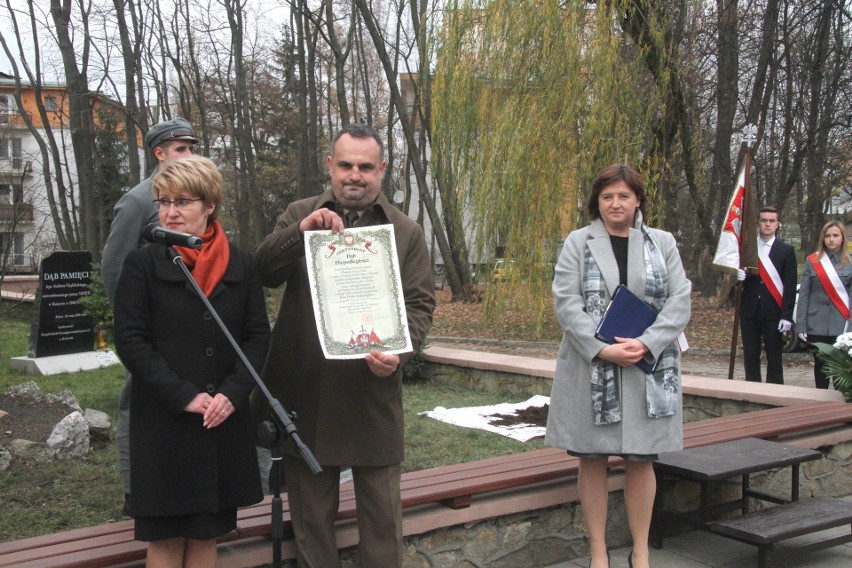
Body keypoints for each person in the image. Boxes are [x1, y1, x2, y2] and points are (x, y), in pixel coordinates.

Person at [253, 123, 435, 567]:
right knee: (312, 521)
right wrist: (302, 231)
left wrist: (399, 353)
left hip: (371, 394)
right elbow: (261, 271)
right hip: (306, 392)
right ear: (330, 166)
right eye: (347, 165)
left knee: (382, 522)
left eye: (366, 167)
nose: (355, 175)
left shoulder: (405, 231)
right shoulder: (300, 212)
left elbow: (419, 305)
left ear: (382, 170)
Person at [113, 155, 268, 567]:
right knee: (165, 538)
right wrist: (183, 396)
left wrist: (234, 394)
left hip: (220, 421)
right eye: (164, 202)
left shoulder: (240, 262)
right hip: (165, 423)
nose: (171, 212)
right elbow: (130, 341)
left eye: (183, 201)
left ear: (210, 205)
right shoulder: (143, 263)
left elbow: (255, 338)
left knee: (206, 534)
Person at [544, 164, 691, 568]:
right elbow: (566, 303)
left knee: (641, 461)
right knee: (591, 459)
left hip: (648, 369)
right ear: (598, 201)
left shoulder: (661, 242)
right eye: (608, 196)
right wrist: (601, 349)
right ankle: (598, 552)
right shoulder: (578, 242)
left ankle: (640, 551)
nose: (615, 203)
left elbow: (680, 299)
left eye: (624, 196)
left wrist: (647, 343)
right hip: (593, 368)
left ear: (638, 200)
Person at [101, 117, 197, 505]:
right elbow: (114, 267)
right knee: (136, 399)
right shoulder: (138, 201)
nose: (189, 154)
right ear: (159, 153)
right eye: (180, 149)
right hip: (147, 328)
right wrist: (132, 324)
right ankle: (134, 487)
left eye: (191, 147)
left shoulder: (194, 197)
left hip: (188, 326)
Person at [736, 206, 797, 384]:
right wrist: (737, 277)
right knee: (750, 355)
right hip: (750, 311)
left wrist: (787, 316)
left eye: (771, 221)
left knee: (774, 356)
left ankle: (774, 394)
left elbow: (790, 286)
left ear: (778, 224)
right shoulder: (747, 248)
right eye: (764, 220)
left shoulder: (786, 250)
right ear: (757, 223)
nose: (767, 224)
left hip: (775, 312)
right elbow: (735, 283)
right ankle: (752, 393)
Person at [796, 220, 852, 389]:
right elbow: (804, 294)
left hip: (841, 323)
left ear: (842, 238)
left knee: (840, 367)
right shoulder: (812, 261)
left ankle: (838, 408)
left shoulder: (850, 262)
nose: (831, 239)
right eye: (827, 236)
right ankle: (821, 402)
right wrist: (801, 325)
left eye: (835, 235)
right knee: (820, 364)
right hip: (816, 323)